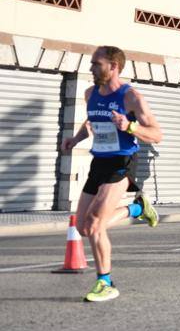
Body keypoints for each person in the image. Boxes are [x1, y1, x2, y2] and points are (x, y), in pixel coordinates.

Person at [60, 46, 162, 302]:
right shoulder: (89, 94)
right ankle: (136, 209)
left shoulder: (131, 97)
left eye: (96, 63)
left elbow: (157, 134)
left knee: (95, 224)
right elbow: (91, 121)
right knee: (84, 227)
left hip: (122, 161)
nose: (91, 68)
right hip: (99, 163)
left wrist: (130, 126)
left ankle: (105, 282)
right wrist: (75, 139)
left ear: (113, 66)